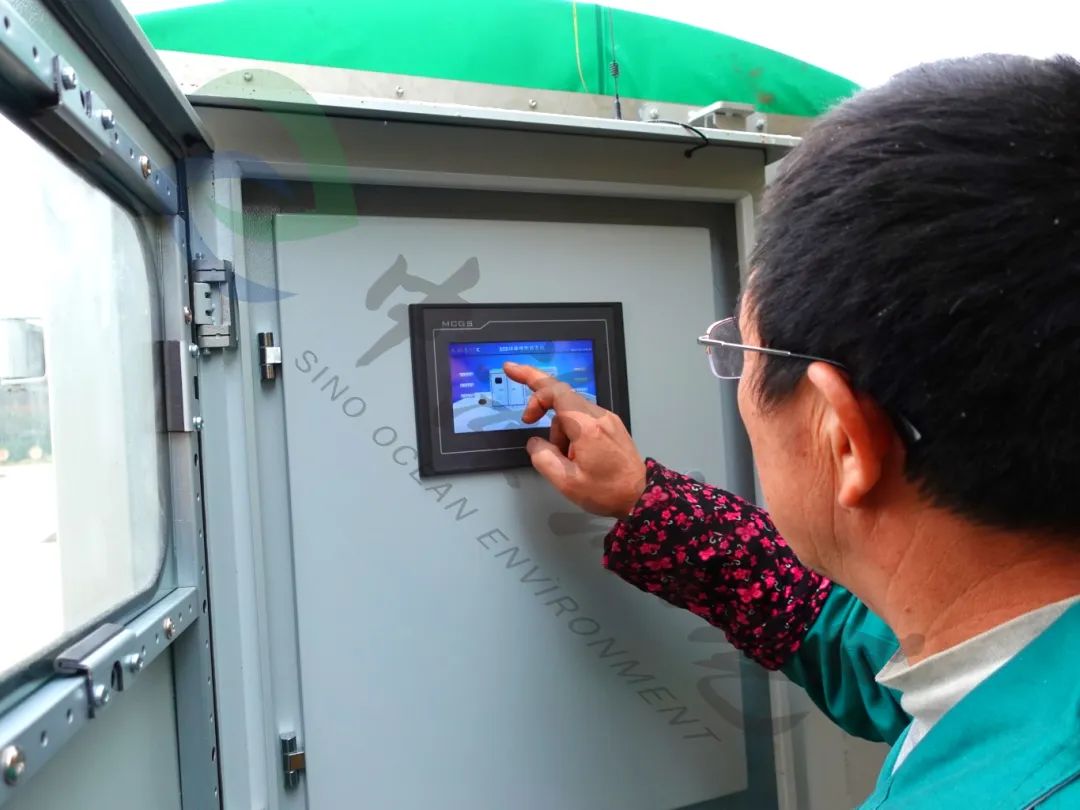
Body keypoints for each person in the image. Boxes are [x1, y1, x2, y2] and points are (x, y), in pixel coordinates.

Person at [503, 53, 1080, 809]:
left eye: (740, 353)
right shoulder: (1006, 655)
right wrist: (646, 501)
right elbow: (857, 640)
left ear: (843, 435)